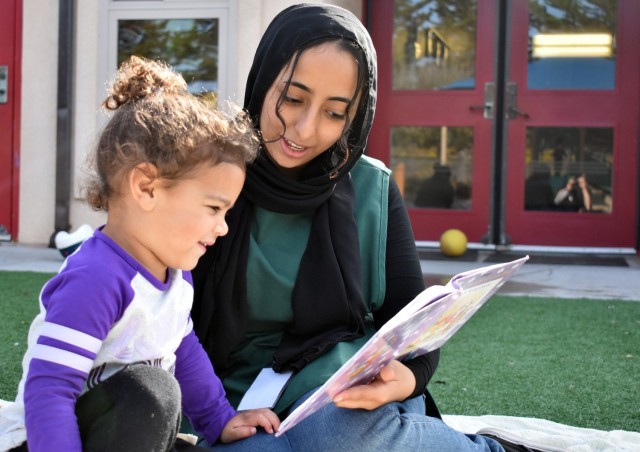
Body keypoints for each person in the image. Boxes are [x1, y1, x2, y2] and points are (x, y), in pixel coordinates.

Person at [190, 4, 505, 451]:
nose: (304, 128)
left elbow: (415, 326)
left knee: (338, 436)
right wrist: (215, 412)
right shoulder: (210, 176)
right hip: (232, 398)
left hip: (345, 392)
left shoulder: (373, 187)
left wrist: (404, 379)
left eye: (335, 113)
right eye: (293, 99)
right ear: (262, 83)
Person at [0, 56, 279, 452]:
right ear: (146, 187)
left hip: (127, 434)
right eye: (214, 209)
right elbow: (49, 391)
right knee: (152, 393)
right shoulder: (96, 278)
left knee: (160, 402)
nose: (223, 227)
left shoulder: (176, 277)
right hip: (48, 441)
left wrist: (220, 419)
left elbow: (183, 350)